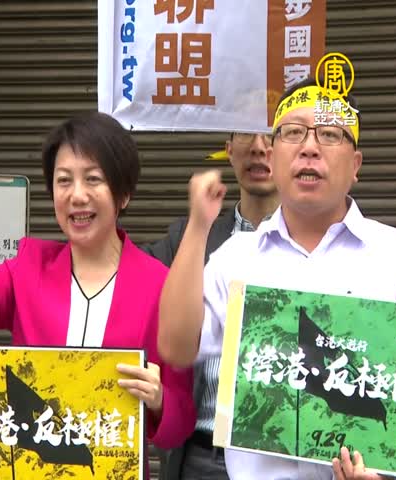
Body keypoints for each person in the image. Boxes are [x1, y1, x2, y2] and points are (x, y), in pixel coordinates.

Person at [157, 77, 396, 480]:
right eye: (293, 132)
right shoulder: (236, 258)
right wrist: (198, 226)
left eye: (329, 134)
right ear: (274, 156)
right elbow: (176, 346)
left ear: (355, 165)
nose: (309, 147)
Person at [0, 110, 197, 475]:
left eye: (93, 179)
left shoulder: (162, 287)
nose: (77, 195)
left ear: (123, 193)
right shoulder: (29, 268)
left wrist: (159, 400)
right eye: (64, 181)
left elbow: (181, 421)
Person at [142, 132, 279, 480]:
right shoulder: (187, 238)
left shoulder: (319, 244)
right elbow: (127, 274)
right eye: (246, 133)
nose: (259, 147)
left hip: (281, 458)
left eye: (270, 135)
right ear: (229, 150)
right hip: (203, 455)